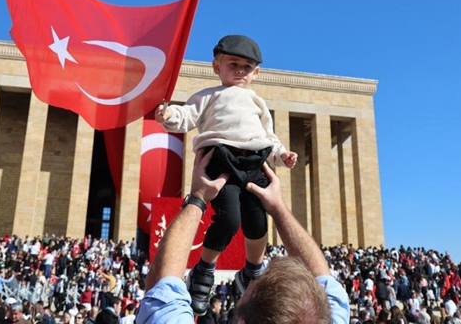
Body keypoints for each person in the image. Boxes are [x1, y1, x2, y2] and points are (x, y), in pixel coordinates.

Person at [155, 35, 298, 314]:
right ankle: (205, 268)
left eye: (247, 66)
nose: (240, 70)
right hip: (221, 160)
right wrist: (168, 115)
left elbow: (268, 138)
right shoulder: (208, 95)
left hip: (254, 163)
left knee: (257, 223)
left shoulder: (257, 102)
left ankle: (253, 270)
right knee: (229, 220)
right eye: (233, 64)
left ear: (256, 73)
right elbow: (186, 117)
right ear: (216, 66)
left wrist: (281, 156)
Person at [136, 148, 348, 324]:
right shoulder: (324, 317)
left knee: (237, 221)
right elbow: (325, 282)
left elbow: (161, 285)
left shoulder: (329, 316)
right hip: (245, 174)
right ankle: (245, 269)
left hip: (225, 172)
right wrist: (279, 207)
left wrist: (198, 198)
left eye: (254, 285)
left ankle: (209, 268)